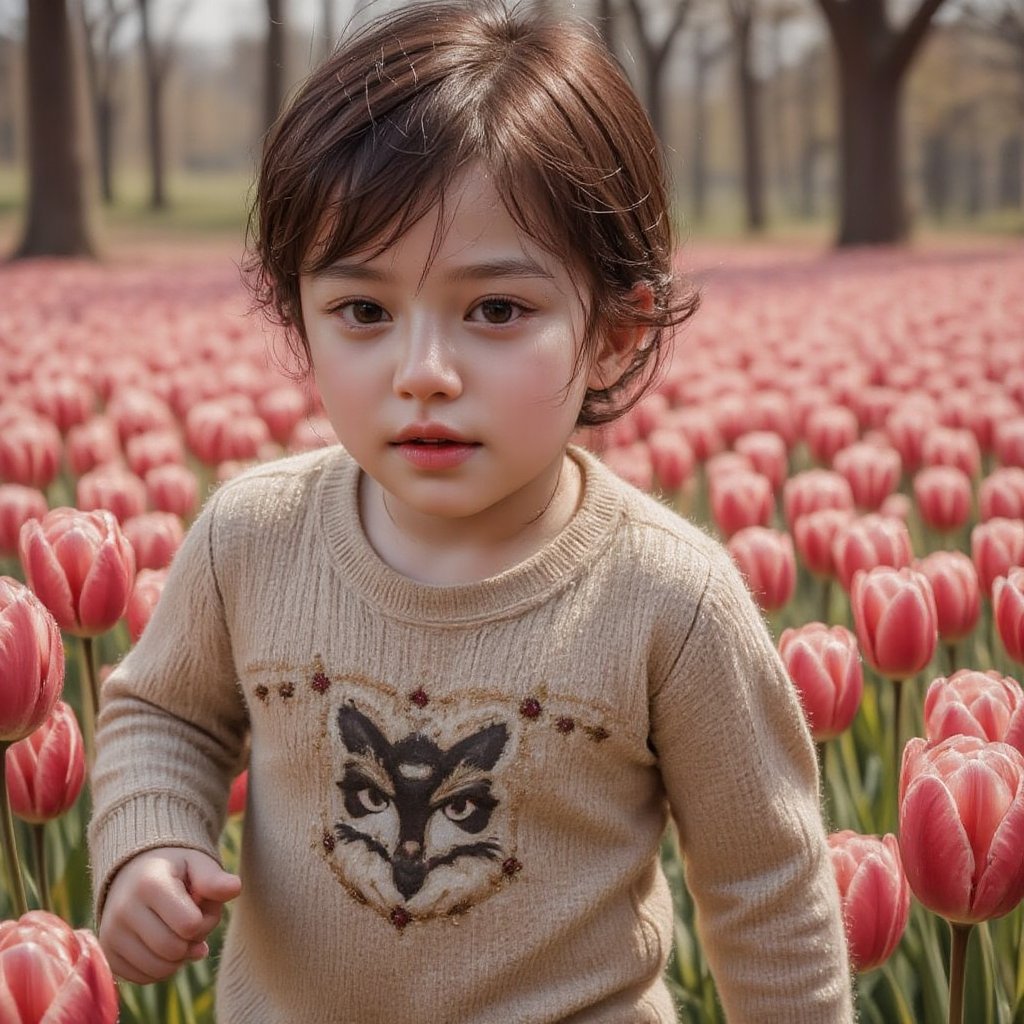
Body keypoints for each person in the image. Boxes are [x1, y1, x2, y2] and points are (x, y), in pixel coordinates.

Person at [89, 2, 854, 1021]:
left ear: (618, 333)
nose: (424, 373)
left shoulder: (670, 597)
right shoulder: (252, 538)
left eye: (496, 310)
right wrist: (150, 839)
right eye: (363, 310)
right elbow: (163, 713)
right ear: (299, 317)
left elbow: (769, 888)